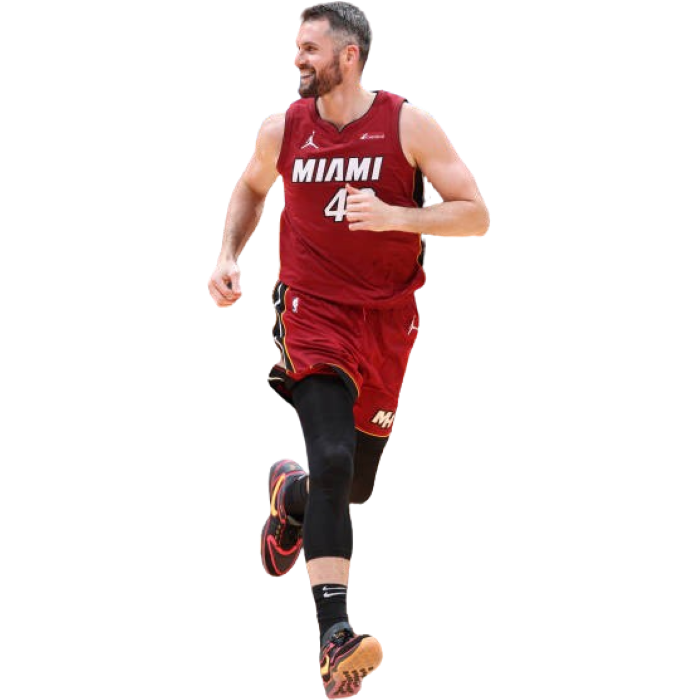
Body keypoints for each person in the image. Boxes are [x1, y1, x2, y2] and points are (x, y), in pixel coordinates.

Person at [207, 2, 490, 697]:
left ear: (349, 55)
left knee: (352, 485)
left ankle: (291, 496)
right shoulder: (283, 128)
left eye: (309, 48)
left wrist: (395, 215)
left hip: (387, 322)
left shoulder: (408, 124)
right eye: (297, 46)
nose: (297, 59)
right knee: (332, 456)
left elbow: (476, 215)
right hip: (310, 312)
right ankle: (335, 634)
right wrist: (227, 256)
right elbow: (250, 188)